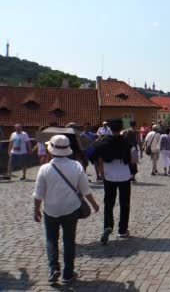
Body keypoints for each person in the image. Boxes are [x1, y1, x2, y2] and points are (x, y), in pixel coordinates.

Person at [33, 135, 100, 284]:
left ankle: (53, 268)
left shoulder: (45, 168)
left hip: (50, 209)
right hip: (71, 208)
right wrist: (94, 204)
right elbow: (85, 190)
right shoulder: (76, 166)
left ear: (52, 150)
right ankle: (68, 274)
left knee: (51, 239)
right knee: (69, 241)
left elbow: (38, 194)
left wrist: (36, 210)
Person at [90, 119, 137, 244]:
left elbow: (96, 157)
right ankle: (122, 230)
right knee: (124, 203)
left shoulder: (102, 142)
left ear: (109, 128)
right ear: (121, 128)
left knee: (109, 203)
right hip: (124, 175)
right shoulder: (127, 142)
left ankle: (108, 226)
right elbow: (133, 159)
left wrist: (101, 173)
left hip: (109, 175)